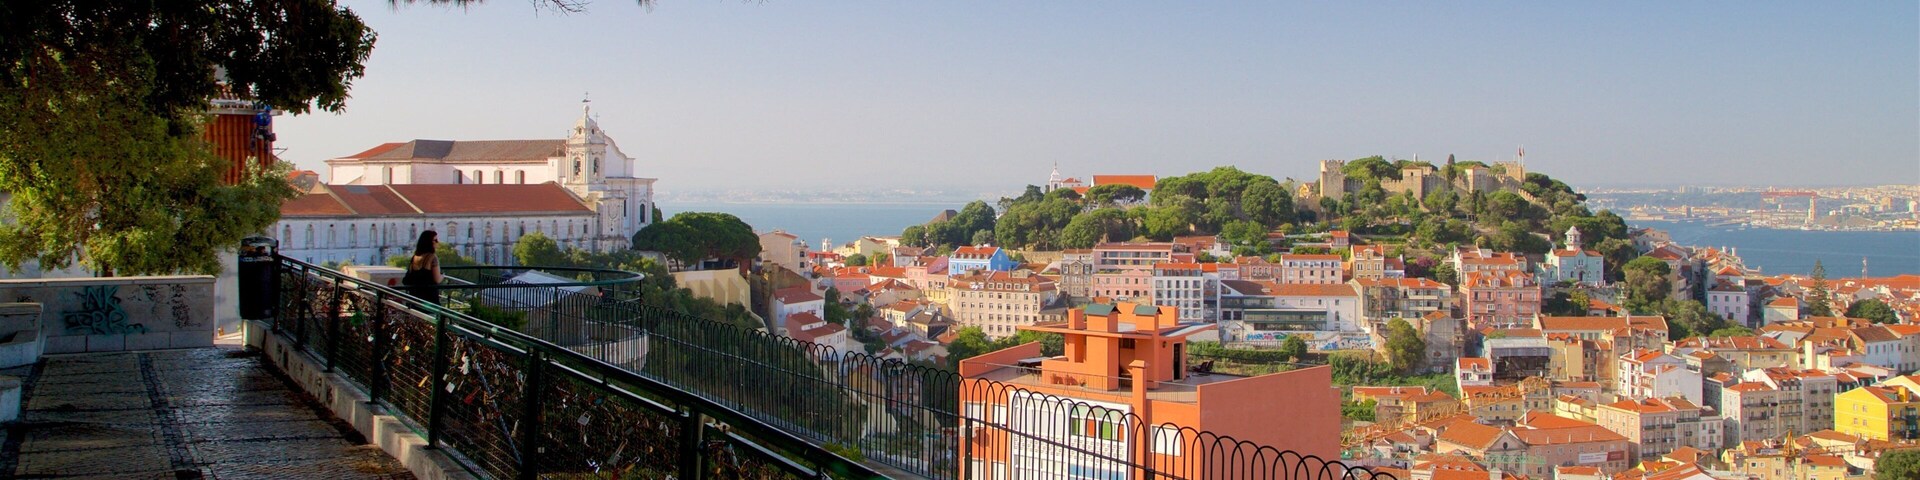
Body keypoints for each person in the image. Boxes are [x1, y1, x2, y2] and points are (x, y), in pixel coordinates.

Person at [402, 230, 443, 304]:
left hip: (415, 297)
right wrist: (443, 276)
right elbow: (437, 279)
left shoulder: (415, 257)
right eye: (435, 240)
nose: (437, 242)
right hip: (429, 298)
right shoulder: (432, 257)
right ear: (429, 242)